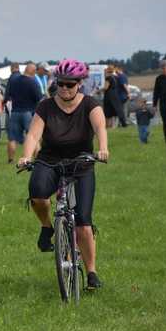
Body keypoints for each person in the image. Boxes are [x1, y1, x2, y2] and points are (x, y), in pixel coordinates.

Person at [18, 59, 109, 290]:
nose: (65, 88)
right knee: (37, 194)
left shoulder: (90, 104)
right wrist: (26, 155)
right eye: (61, 84)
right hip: (50, 160)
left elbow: (100, 128)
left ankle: (91, 272)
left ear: (80, 83)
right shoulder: (46, 106)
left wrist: (103, 149)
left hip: (81, 164)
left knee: (83, 224)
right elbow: (33, 135)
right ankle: (47, 227)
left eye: (70, 84)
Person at [4, 62, 43, 164]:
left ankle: (10, 160)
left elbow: (9, 95)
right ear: (33, 72)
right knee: (33, 137)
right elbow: (39, 97)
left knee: (12, 138)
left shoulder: (14, 81)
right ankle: (38, 160)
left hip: (15, 112)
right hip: (28, 113)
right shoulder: (33, 82)